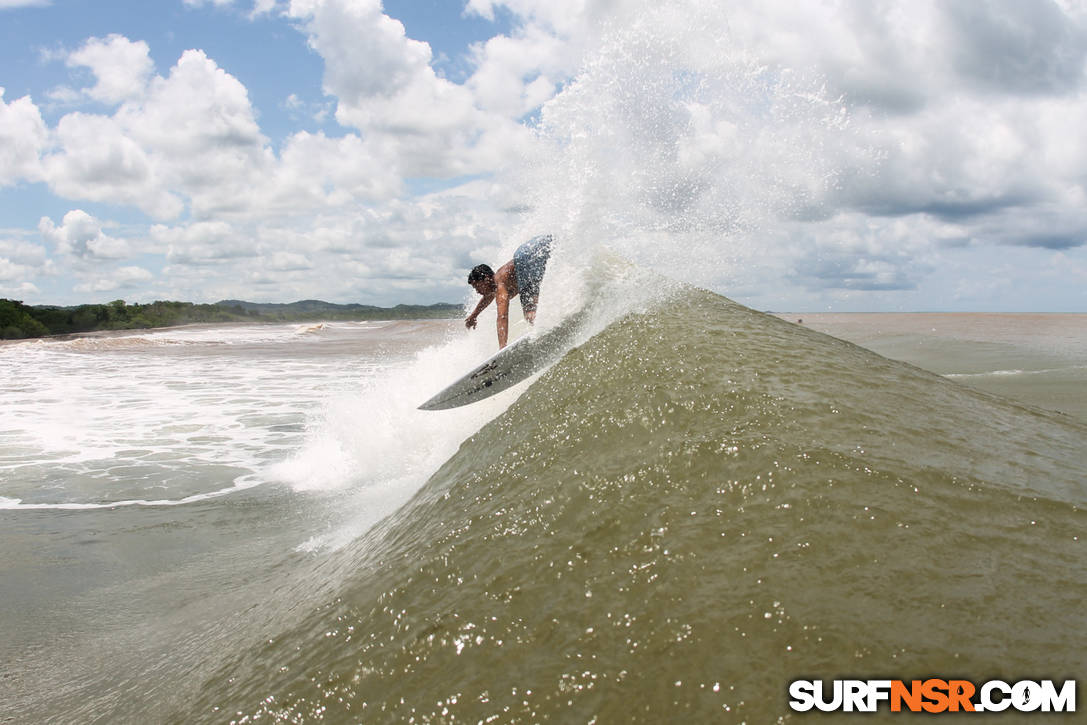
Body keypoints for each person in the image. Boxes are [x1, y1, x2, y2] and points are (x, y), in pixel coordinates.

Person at [465, 234, 552, 349]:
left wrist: (502, 347)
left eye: (477, 287)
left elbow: (502, 316)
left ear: (486, 279)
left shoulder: (500, 284)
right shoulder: (499, 279)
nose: (477, 291)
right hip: (531, 248)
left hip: (524, 258)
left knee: (529, 314)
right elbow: (487, 297)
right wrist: (474, 315)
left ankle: (549, 334)